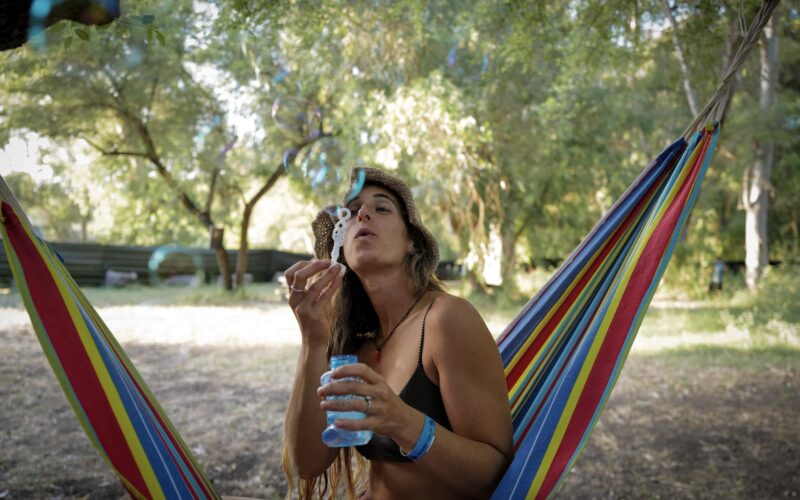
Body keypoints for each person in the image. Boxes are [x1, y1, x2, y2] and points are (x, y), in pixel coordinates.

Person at [282, 168, 513, 499]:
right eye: (352, 211)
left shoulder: (446, 320)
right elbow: (308, 463)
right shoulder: (358, 343)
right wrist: (313, 342)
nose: (362, 214)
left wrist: (404, 423)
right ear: (341, 248)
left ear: (412, 244)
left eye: (381, 208)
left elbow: (495, 475)